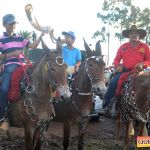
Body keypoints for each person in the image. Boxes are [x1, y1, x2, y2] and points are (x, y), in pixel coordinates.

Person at [0, 14, 44, 129]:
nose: (13, 26)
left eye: (14, 23)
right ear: (4, 25)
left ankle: (42, 110)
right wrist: (11, 54)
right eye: (10, 24)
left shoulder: (20, 37)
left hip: (23, 65)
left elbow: (33, 46)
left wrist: (41, 35)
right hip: (10, 66)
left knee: (39, 78)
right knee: (4, 88)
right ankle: (3, 117)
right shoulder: (1, 39)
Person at [100, 25, 150, 115]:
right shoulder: (123, 47)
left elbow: (149, 60)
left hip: (140, 72)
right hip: (125, 71)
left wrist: (143, 64)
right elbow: (116, 60)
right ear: (128, 35)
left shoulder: (145, 47)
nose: (134, 35)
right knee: (113, 83)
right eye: (132, 33)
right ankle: (106, 106)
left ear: (139, 35)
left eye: (136, 33)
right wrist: (118, 66)